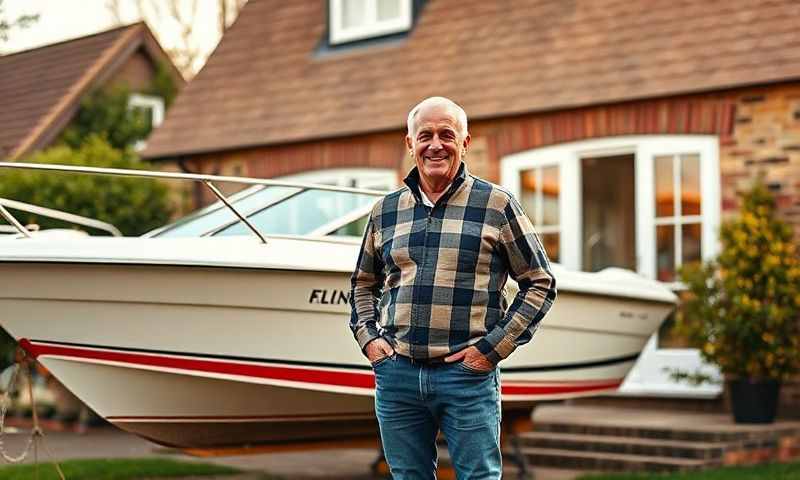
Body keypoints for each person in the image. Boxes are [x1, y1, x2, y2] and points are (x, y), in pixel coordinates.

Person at [349, 96, 557, 479]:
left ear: (465, 142)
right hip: (398, 374)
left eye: (447, 134)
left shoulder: (498, 205)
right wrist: (370, 341)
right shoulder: (386, 211)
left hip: (467, 377)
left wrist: (489, 352)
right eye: (424, 135)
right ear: (409, 144)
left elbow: (539, 282)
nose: (435, 144)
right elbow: (364, 283)